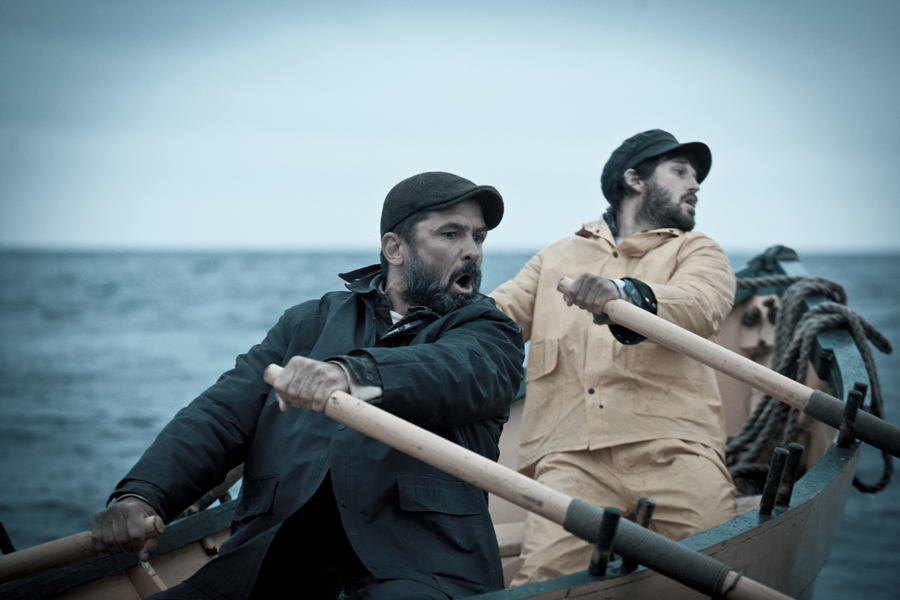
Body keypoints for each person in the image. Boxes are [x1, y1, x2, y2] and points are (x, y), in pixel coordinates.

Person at [91, 172, 526, 600]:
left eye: (479, 237)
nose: (472, 251)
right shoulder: (309, 322)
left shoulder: (489, 332)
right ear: (394, 248)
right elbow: (221, 415)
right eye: (451, 234)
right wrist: (142, 494)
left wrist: (353, 374)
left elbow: (457, 370)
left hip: (420, 571)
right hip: (268, 563)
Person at [490, 129, 739, 585]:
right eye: (680, 172)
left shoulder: (698, 250)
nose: (695, 185)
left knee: (719, 564)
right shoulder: (555, 258)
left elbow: (702, 306)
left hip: (674, 447)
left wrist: (624, 293)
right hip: (568, 459)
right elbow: (492, 321)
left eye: (696, 177)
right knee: (543, 584)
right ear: (634, 179)